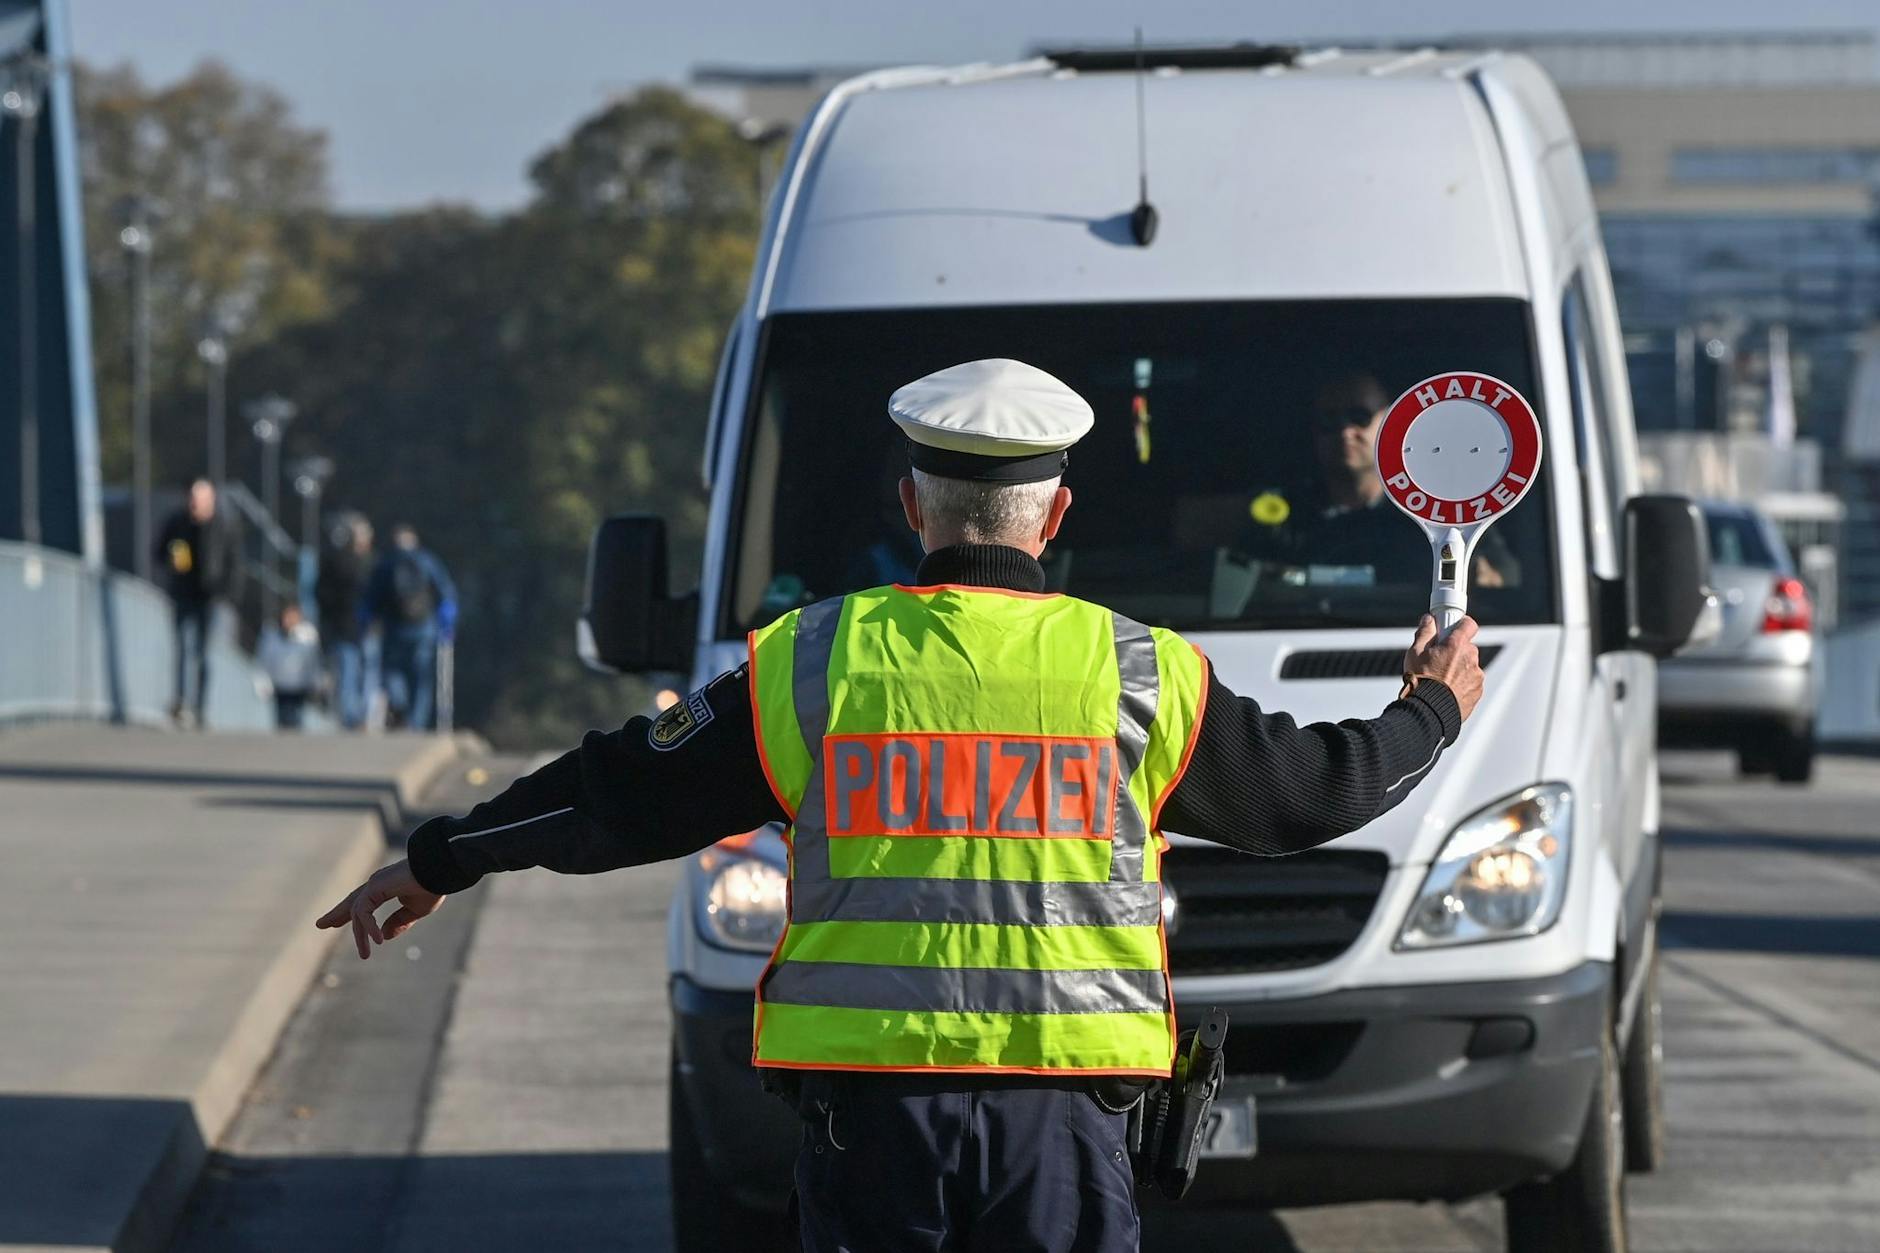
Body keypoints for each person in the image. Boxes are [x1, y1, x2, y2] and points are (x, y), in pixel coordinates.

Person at [317, 359, 1485, 1253]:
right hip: (1061, 1127)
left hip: (870, 1128)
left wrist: (443, 855)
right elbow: (1311, 793)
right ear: (1055, 513)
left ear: (913, 503)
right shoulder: (1138, 672)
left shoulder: (809, 662)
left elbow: (617, 791)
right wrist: (1428, 708)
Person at [1254, 373, 1517, 586]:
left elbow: (1506, 577)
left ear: (1390, 423)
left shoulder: (1437, 511)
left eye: (1360, 417)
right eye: (1329, 420)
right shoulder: (1282, 514)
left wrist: (1484, 578)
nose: (1345, 431)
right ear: (1313, 430)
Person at [154, 478, 237, 728]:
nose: (195, 504)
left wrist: (227, 593)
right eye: (192, 498)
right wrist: (171, 559)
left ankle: (200, 708)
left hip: (208, 597)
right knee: (180, 649)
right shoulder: (177, 523)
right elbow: (158, 552)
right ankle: (180, 703)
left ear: (210, 500)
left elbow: (234, 562)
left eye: (200, 499)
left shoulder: (223, 525)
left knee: (202, 654)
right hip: (182, 593)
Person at [361, 524, 456, 731]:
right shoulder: (427, 561)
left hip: (394, 628)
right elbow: (445, 592)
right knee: (420, 677)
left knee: (392, 671)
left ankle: (400, 706)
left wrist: (366, 620)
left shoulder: (386, 564)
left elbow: (371, 599)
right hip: (424, 628)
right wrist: (447, 621)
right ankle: (416, 722)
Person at [316, 515, 375, 729]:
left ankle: (360, 716)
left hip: (360, 628)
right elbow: (323, 595)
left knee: (363, 674)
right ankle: (352, 717)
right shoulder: (346, 562)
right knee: (351, 672)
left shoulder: (368, 562)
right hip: (348, 627)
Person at [258, 603, 323, 730]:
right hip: (280, 686)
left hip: (299, 686)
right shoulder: (272, 636)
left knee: (296, 720)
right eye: (288, 617)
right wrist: (263, 680)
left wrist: (316, 681)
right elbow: (265, 659)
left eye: (294, 617)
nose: (290, 621)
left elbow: (314, 661)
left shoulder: (308, 637)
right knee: (281, 721)